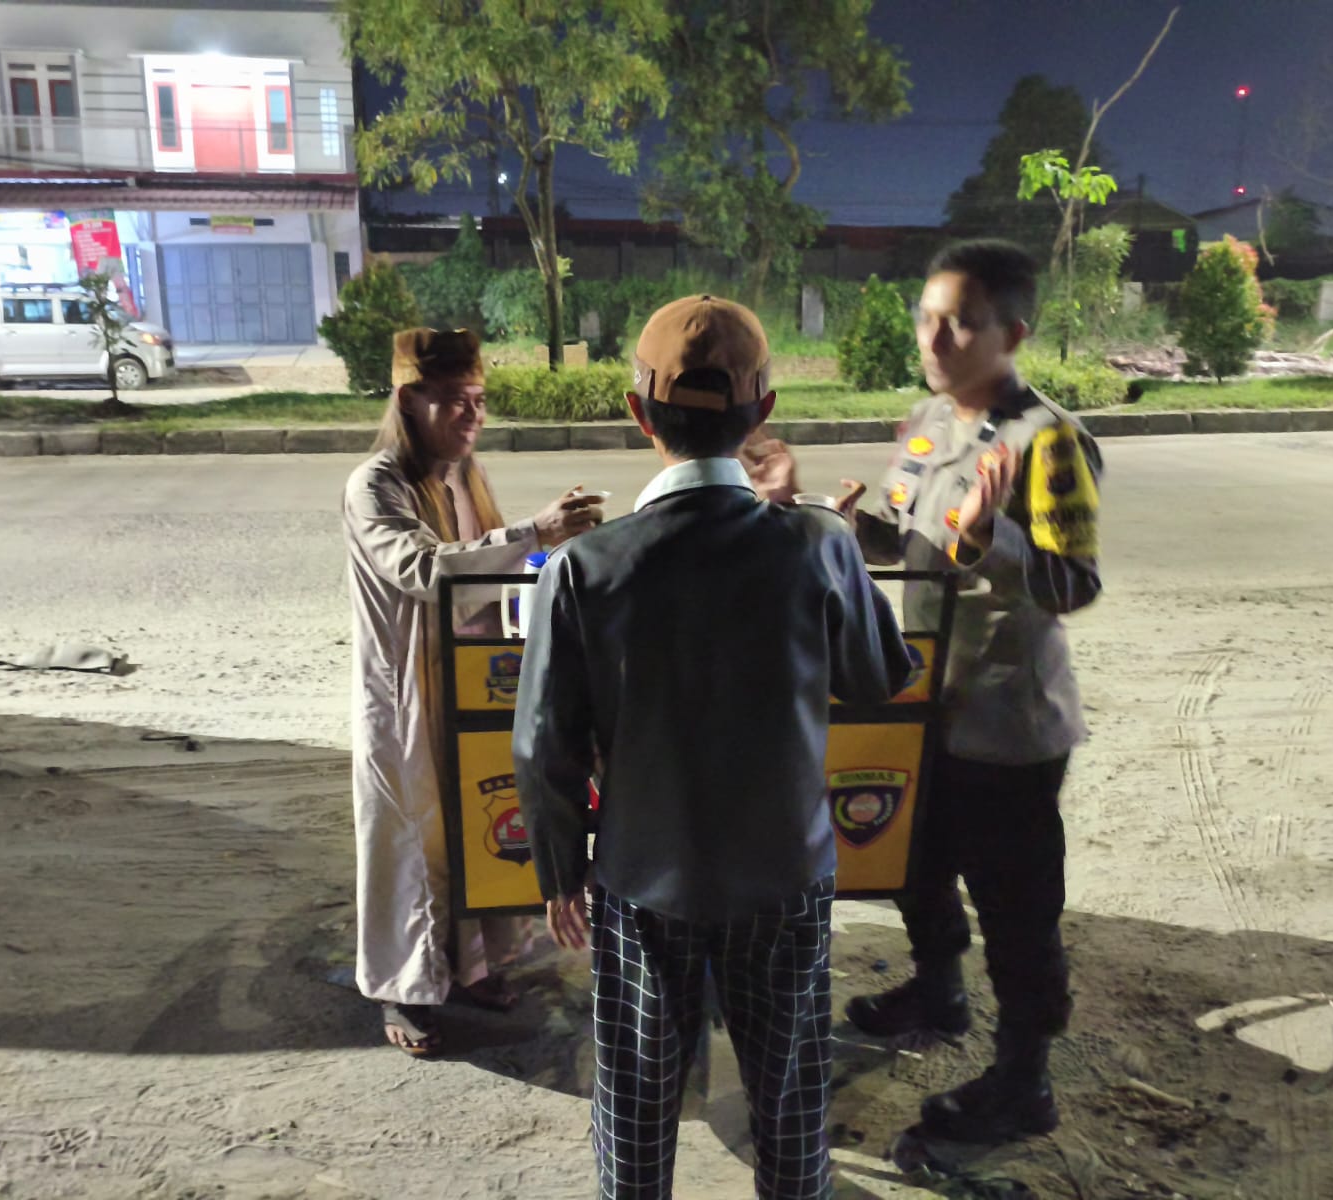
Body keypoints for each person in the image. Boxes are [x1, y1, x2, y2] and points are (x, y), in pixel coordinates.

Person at [513, 295, 912, 1199]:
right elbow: (878, 675)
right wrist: (841, 547)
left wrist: (560, 871)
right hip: (785, 872)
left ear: (637, 412)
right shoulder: (816, 543)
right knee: (789, 1083)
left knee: (637, 1089)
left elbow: (543, 745)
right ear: (762, 411)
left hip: (642, 875)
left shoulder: (585, 566)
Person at [744, 240, 1103, 1144]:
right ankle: (938, 990)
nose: (935, 339)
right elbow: (907, 544)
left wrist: (990, 541)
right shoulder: (928, 422)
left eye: (961, 323)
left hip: (1006, 721)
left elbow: (1074, 584)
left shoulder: (1048, 441)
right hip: (920, 702)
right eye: (927, 318)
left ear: (1013, 333)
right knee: (917, 860)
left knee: (1017, 905)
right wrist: (819, 513)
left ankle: (1024, 1078)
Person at [343, 327, 604, 1057]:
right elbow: (426, 570)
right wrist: (532, 531)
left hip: (472, 678)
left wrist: (552, 555)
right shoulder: (376, 485)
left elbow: (493, 572)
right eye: (456, 400)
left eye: (480, 400)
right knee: (410, 841)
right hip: (405, 694)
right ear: (409, 399)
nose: (472, 414)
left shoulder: (464, 474)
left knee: (473, 826)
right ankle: (403, 987)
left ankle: (471, 969)